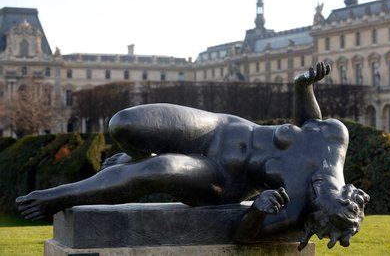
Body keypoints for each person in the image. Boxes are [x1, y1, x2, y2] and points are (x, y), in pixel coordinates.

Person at [16, 62, 369, 250]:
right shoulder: (334, 136)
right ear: (347, 193)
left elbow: (242, 236)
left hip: (221, 176)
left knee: (160, 167)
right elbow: (308, 121)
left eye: (317, 208)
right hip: (220, 128)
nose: (316, 196)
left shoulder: (295, 212)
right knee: (124, 123)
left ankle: (56, 197)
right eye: (327, 197)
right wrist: (302, 87)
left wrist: (258, 213)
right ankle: (130, 162)